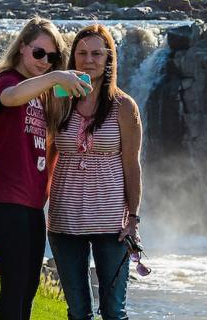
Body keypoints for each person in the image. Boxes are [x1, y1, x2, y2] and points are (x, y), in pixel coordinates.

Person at [0, 18, 90, 320]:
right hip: (3, 201)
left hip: (30, 205)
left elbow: (81, 105)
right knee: (15, 284)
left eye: (53, 57)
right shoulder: (6, 81)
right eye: (39, 53)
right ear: (21, 49)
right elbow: (11, 97)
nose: (45, 62)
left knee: (28, 286)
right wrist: (56, 77)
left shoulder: (44, 95)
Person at [49, 24, 143, 320]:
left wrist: (134, 219)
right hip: (64, 219)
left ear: (109, 59)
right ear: (73, 58)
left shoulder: (124, 107)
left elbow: (132, 164)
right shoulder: (58, 99)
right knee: (78, 312)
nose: (89, 59)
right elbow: (45, 152)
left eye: (96, 53)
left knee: (113, 311)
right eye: (82, 53)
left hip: (112, 222)